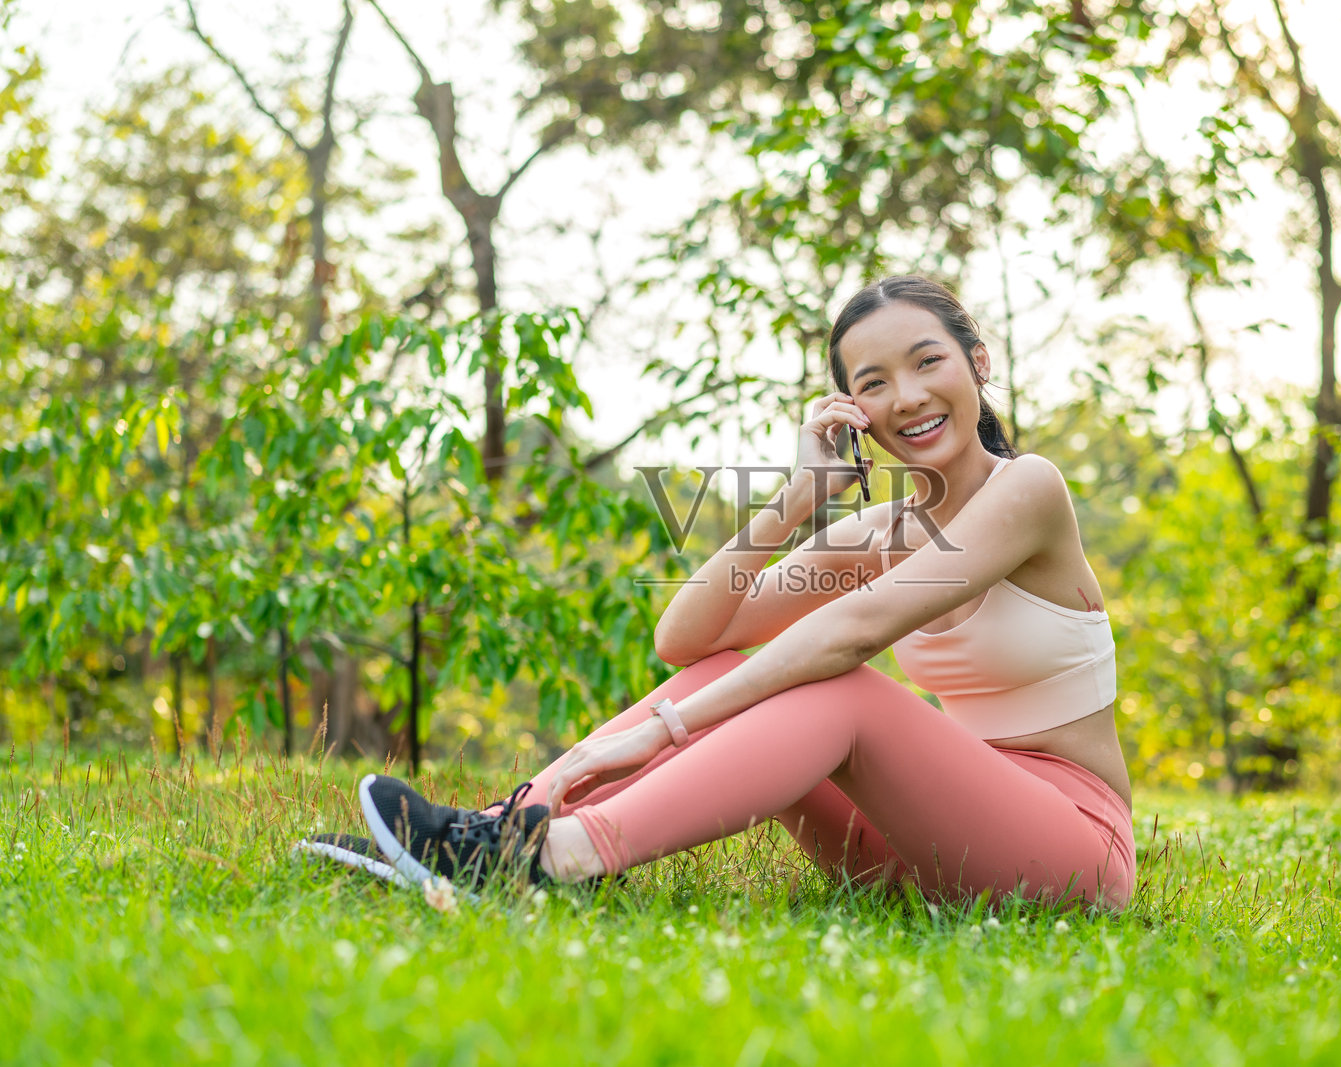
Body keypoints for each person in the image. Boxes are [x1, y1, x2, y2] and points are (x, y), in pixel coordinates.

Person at [298, 275, 1136, 911]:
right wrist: (800, 495)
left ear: (976, 364)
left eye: (928, 362)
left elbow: (851, 634)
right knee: (727, 672)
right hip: (927, 845)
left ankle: (563, 855)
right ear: (853, 410)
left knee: (839, 686)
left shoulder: (1029, 489)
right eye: (873, 382)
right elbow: (690, 639)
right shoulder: (880, 533)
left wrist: (655, 735)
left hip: (1071, 847)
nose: (907, 396)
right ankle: (498, 827)